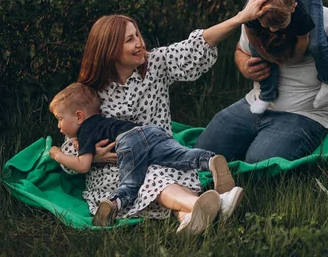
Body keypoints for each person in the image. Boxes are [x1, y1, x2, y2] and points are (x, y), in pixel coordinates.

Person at [56, 0, 275, 234]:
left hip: (164, 156)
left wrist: (241, 18)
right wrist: (91, 156)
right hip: (115, 173)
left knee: (160, 172)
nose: (139, 43)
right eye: (130, 40)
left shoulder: (156, 63)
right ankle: (212, 207)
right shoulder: (89, 94)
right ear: (109, 49)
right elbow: (69, 147)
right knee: (148, 176)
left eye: (137, 35)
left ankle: (191, 215)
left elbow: (197, 46)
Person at [195, 7, 328, 179]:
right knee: (200, 155)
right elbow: (240, 51)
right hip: (255, 103)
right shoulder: (258, 19)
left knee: (260, 166)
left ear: (303, 39)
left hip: (306, 114)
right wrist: (245, 65)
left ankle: (317, 144)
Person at [48, 82, 235, 227]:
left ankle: (113, 204)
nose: (58, 126)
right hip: (150, 131)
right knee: (178, 155)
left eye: (60, 119)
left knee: (130, 183)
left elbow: (83, 165)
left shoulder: (86, 131)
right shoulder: (102, 121)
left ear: (79, 116)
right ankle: (209, 160)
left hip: (129, 141)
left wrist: (56, 154)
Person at [244, 0, 328, 114]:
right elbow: (253, 39)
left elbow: (303, 44)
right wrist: (268, 57)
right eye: (269, 26)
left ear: (293, 8)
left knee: (317, 43)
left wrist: (289, 62)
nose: (274, 30)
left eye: (280, 26)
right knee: (253, 49)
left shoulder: (300, 12)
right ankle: (267, 93)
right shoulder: (251, 11)